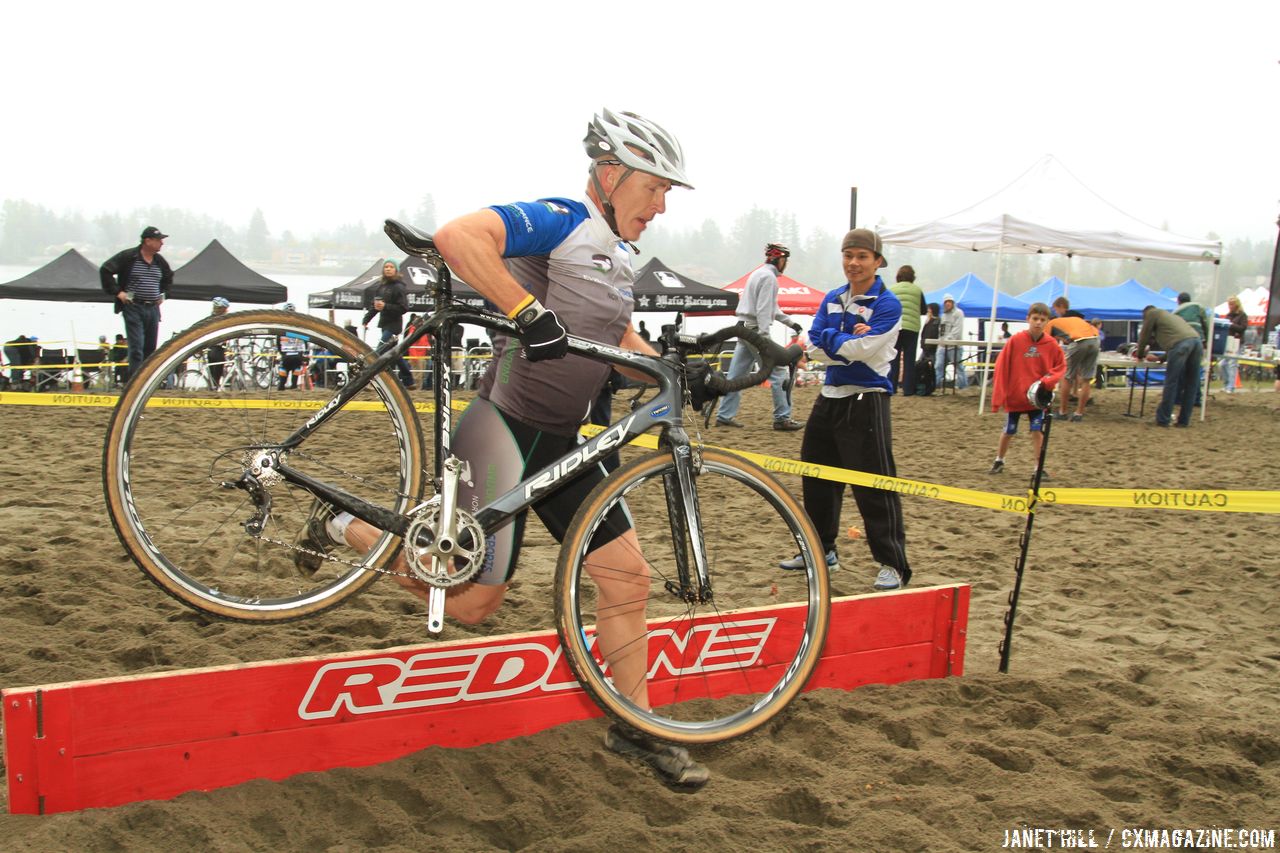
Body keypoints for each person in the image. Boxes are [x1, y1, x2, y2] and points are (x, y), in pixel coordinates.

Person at [297, 108, 708, 789]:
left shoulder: (617, 258)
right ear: (612, 175)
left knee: (628, 579)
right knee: (469, 604)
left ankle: (635, 726)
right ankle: (343, 525)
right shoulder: (558, 218)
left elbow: (617, 346)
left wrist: (674, 368)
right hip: (503, 426)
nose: (662, 204)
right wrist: (525, 311)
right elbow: (458, 237)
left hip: (564, 441)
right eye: (655, 187)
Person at [785, 228, 912, 592]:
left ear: (877, 261)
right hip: (830, 395)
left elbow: (863, 351)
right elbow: (812, 345)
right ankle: (822, 550)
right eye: (848, 255)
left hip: (868, 397)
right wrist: (843, 339)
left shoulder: (888, 303)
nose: (853, 263)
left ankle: (893, 564)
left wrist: (834, 341)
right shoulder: (832, 297)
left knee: (874, 486)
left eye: (861, 257)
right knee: (817, 477)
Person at [714, 243, 805, 430]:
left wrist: (789, 322)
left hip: (743, 329)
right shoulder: (769, 278)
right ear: (779, 259)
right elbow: (764, 310)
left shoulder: (758, 274)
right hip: (755, 332)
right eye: (785, 260)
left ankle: (724, 415)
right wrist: (764, 339)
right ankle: (782, 418)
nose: (785, 264)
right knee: (779, 372)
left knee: (736, 375)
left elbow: (770, 307)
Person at [988, 303, 1065, 476]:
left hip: (1037, 398)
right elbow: (1001, 366)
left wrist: (1048, 381)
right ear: (1028, 319)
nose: (1038, 323)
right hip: (1015, 395)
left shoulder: (1051, 344)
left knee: (1037, 430)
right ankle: (999, 460)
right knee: (1009, 430)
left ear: (1047, 322)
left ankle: (1039, 467)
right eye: (1035, 319)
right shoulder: (1015, 340)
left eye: (1042, 320)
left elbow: (1060, 366)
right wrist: (1000, 394)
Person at [100, 226, 174, 380]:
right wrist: (118, 292)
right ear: (147, 241)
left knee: (150, 348)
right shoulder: (128, 257)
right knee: (136, 348)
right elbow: (105, 270)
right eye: (158, 240)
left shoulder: (159, 261)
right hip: (133, 306)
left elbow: (169, 278)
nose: (162, 243)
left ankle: (146, 381)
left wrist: (163, 295)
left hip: (153, 308)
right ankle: (134, 382)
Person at [1135, 305, 1202, 428]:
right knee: (1191, 384)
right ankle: (1183, 421)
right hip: (1197, 342)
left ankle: (1163, 419)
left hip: (1181, 345)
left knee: (1171, 382)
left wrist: (1139, 354)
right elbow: (1180, 337)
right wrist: (1162, 358)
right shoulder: (1171, 316)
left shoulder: (1151, 313)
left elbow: (1144, 335)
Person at [362, 260, 417, 389]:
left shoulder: (399, 287)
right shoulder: (381, 287)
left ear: (396, 270)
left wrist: (386, 306)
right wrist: (366, 319)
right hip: (384, 324)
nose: (388, 269)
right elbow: (375, 306)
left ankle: (370, 380)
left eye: (391, 267)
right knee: (395, 354)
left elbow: (403, 308)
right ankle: (409, 381)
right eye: (386, 267)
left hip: (394, 325)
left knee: (379, 351)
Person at [1045, 302, 1101, 422]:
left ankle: (1063, 412)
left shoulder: (1051, 323)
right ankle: (1079, 413)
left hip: (1079, 342)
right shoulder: (1077, 321)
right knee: (1086, 379)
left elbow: (1046, 342)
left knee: (1066, 376)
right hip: (1095, 341)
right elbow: (1066, 338)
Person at [888, 265, 926, 396]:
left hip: (895, 327)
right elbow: (924, 310)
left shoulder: (892, 289)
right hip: (912, 327)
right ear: (912, 277)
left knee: (894, 357)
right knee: (909, 359)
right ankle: (908, 389)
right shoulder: (917, 290)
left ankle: (892, 387)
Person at [1173, 292, 1209, 404]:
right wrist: (1207, 340)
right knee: (1195, 370)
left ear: (1178, 301)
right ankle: (1197, 398)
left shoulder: (1176, 312)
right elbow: (1206, 324)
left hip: (1183, 341)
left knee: (1181, 370)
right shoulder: (1198, 307)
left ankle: (1178, 398)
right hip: (1198, 340)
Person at [934, 294, 967, 390]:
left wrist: (948, 340)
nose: (948, 304)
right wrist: (941, 341)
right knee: (938, 366)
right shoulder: (943, 315)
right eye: (946, 302)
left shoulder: (958, 313)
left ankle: (962, 386)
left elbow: (957, 329)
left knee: (958, 367)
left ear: (953, 303)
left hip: (954, 346)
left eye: (949, 302)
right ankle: (936, 385)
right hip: (942, 346)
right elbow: (942, 330)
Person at [275, 303, 309, 390]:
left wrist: (281, 352)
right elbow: (306, 339)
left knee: (284, 368)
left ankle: (282, 385)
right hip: (298, 353)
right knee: (296, 368)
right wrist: (305, 352)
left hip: (286, 353)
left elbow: (278, 341)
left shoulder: (281, 326)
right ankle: (293, 385)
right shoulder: (299, 326)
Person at [1219, 295, 1248, 394]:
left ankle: (1231, 387)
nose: (1230, 306)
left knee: (1232, 364)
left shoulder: (1242, 315)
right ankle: (1226, 383)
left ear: (1236, 304)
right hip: (1228, 342)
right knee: (1222, 364)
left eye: (1231, 304)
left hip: (1237, 342)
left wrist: (1231, 325)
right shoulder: (1228, 315)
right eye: (1229, 304)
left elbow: (1243, 328)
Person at [207, 297, 231, 390]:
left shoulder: (209, 319)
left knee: (213, 374)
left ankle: (213, 389)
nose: (226, 311)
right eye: (225, 309)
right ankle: (214, 390)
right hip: (217, 349)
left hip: (211, 349)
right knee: (217, 373)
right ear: (221, 308)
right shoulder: (221, 320)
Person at [917, 303, 940, 396]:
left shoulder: (936, 321)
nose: (928, 311)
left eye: (929, 309)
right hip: (926, 348)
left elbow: (933, 335)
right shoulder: (929, 321)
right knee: (921, 366)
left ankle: (932, 385)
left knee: (931, 368)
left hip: (931, 349)